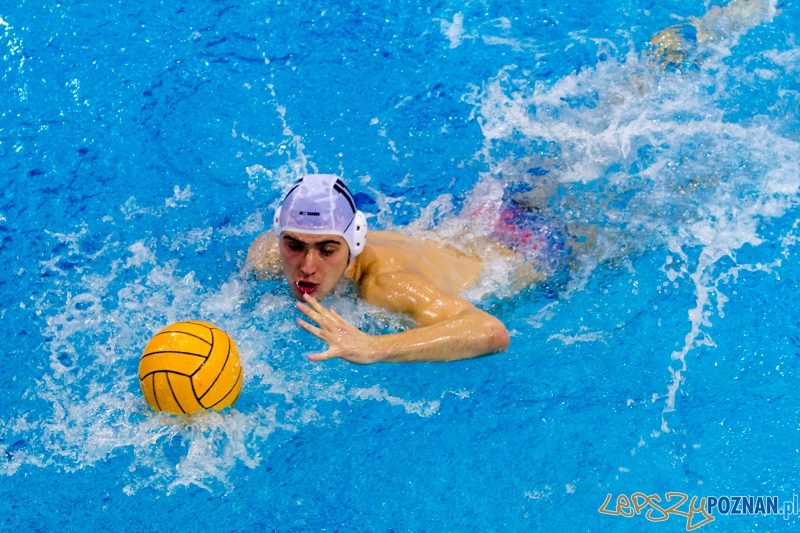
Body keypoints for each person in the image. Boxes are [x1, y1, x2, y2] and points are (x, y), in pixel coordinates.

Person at [245, 174, 513, 364]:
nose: (307, 266)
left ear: (355, 242)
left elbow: (491, 332)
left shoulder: (386, 284)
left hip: (509, 257)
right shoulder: (265, 255)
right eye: (294, 246)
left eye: (327, 251)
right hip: (453, 237)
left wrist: (373, 347)